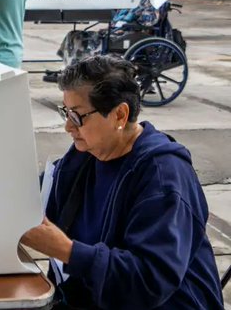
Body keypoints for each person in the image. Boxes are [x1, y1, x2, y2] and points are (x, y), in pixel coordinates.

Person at [21, 55, 224, 309]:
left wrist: (67, 251)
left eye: (77, 116)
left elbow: (148, 282)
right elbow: (39, 193)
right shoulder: (85, 156)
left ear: (119, 115)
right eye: (66, 113)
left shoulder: (163, 176)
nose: (68, 127)